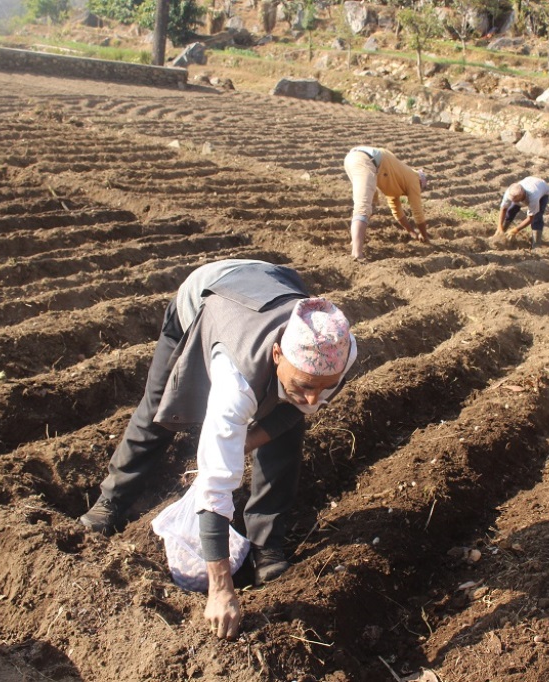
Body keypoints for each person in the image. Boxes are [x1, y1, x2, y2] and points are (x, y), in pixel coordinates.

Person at [79, 259, 357, 638]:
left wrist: (250, 439)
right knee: (159, 409)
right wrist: (221, 588)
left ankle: (268, 544)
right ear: (278, 355)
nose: (313, 397)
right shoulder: (234, 382)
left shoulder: (336, 351)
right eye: (305, 384)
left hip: (271, 285)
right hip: (203, 301)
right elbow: (215, 483)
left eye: (324, 387)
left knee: (285, 440)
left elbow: (297, 410)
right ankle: (112, 500)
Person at [343, 146, 430, 263]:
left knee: (371, 204)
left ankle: (356, 239)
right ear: (421, 183)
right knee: (363, 207)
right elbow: (417, 211)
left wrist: (412, 232)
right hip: (366, 161)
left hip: (354, 159)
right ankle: (357, 255)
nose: (419, 192)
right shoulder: (415, 179)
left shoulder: (398, 181)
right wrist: (424, 236)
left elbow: (397, 211)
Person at [496, 177, 549, 247]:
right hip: (529, 182)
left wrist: (515, 230)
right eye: (512, 200)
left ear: (521, 197)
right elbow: (503, 209)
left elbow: (530, 218)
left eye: (515, 200)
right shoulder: (509, 193)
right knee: (511, 210)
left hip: (543, 190)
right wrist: (499, 227)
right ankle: (502, 232)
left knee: (537, 217)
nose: (513, 201)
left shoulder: (534, 196)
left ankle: (536, 244)